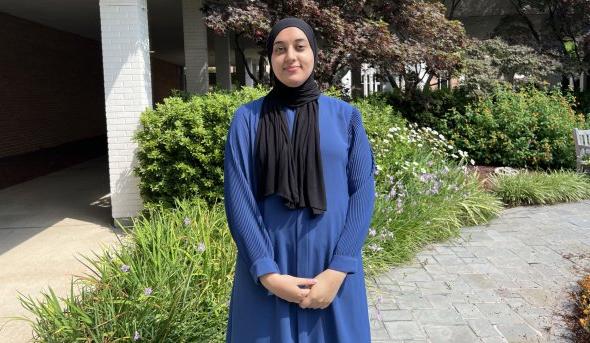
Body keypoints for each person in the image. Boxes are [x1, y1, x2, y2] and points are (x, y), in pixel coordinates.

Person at [223, 17, 376, 343]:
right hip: (267, 273)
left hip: (332, 274)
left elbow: (362, 193)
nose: (290, 56)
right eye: (280, 49)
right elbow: (239, 200)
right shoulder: (247, 120)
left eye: (299, 46)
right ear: (270, 59)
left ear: (314, 54)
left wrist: (339, 269)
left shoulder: (345, 117)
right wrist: (267, 273)